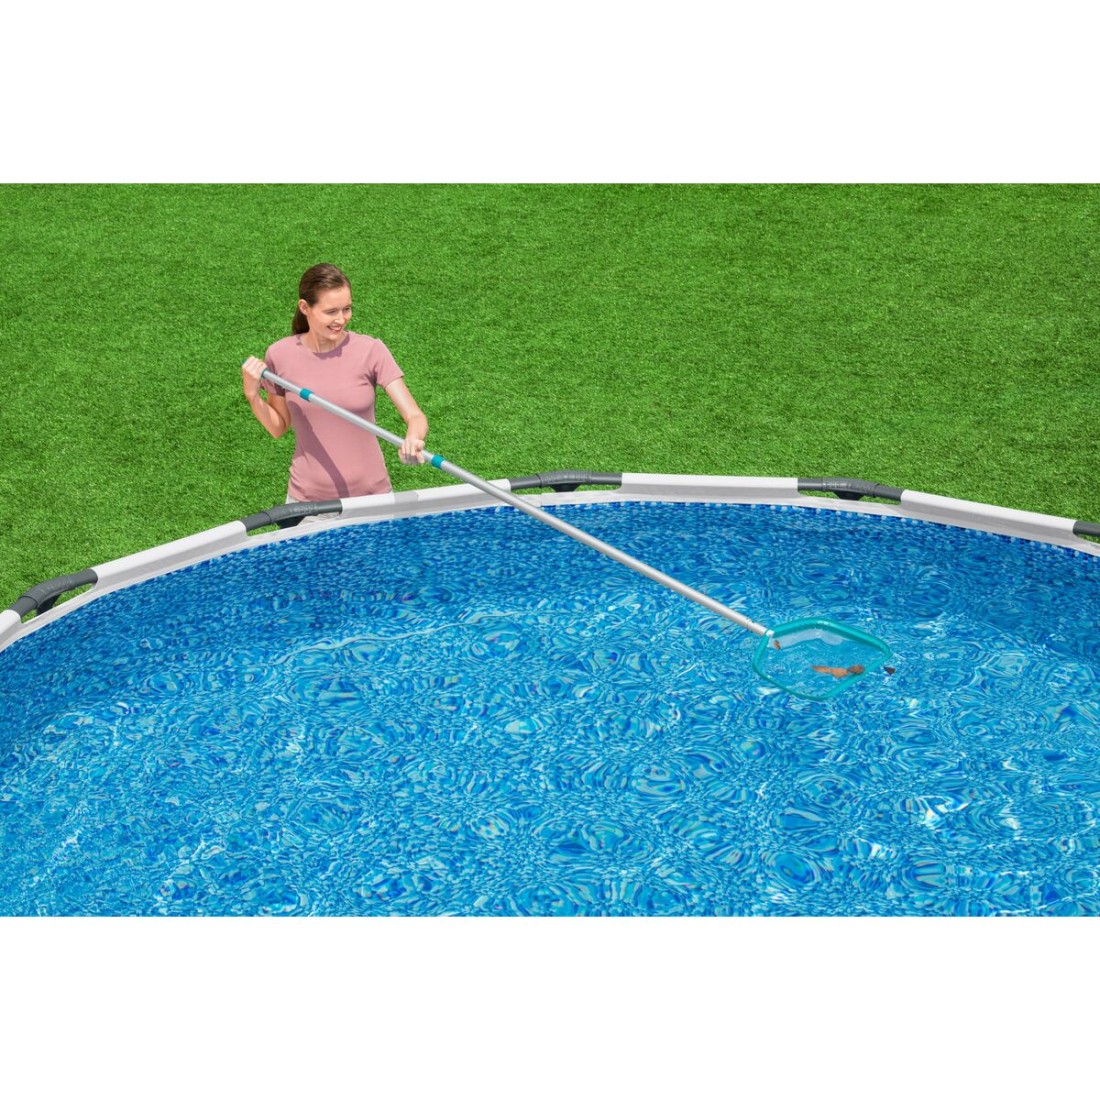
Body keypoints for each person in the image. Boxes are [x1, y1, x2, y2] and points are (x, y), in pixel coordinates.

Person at [241, 263, 428, 506]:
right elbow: (279, 427)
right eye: (331, 312)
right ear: (305, 308)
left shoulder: (371, 350)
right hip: (308, 502)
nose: (341, 319)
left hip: (373, 498)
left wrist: (413, 438)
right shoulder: (279, 354)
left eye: (346, 309)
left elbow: (415, 416)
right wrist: (252, 395)